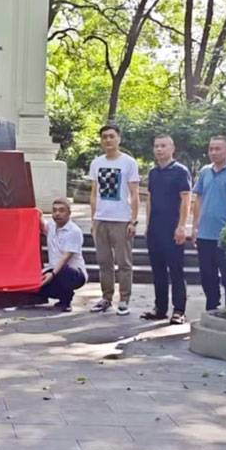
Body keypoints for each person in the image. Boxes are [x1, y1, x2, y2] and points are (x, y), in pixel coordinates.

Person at [192, 135, 226, 311]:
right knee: (207, 274)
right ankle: (212, 305)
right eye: (211, 149)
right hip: (205, 234)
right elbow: (198, 199)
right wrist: (195, 226)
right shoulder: (205, 172)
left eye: (218, 149)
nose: (214, 152)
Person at [88, 124, 140, 315]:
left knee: (124, 262)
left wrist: (133, 220)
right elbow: (94, 193)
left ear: (119, 138)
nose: (108, 140)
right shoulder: (96, 163)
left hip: (121, 219)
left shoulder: (129, 163)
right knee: (104, 261)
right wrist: (93, 219)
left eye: (111, 136)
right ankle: (106, 297)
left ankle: (124, 299)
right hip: (101, 219)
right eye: (104, 137)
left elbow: (135, 194)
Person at [141, 135, 192, 325]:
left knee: (176, 270)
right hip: (155, 228)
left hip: (173, 227)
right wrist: (147, 225)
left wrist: (182, 226)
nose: (159, 149)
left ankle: (179, 310)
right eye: (156, 146)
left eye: (163, 146)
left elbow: (186, 199)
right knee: (158, 271)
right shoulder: (153, 173)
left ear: (172, 148)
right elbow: (150, 199)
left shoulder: (180, 171)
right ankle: (160, 308)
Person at [39, 198, 87, 312]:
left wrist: (52, 275)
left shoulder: (74, 231)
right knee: (36, 287)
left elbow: (66, 257)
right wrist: (37, 213)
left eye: (61, 210)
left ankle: (66, 300)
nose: (57, 213)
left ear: (69, 213)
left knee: (63, 271)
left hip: (74, 273)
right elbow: (41, 225)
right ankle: (61, 296)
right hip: (53, 270)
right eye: (54, 210)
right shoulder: (51, 226)